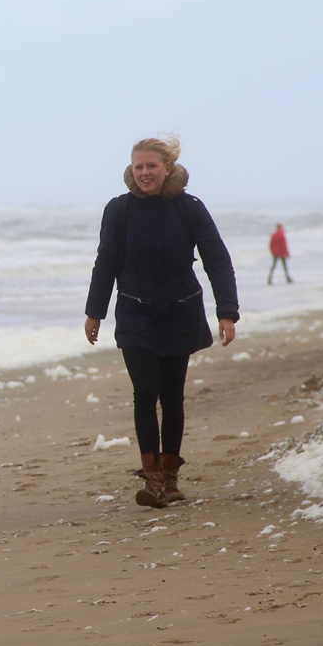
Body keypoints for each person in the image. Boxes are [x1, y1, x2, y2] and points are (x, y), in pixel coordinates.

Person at [84, 136, 239, 508]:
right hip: (136, 313)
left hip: (180, 311)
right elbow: (106, 262)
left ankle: (170, 479)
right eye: (138, 167)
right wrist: (94, 312)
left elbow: (217, 259)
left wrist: (227, 312)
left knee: (172, 397)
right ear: (131, 171)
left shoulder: (190, 208)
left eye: (151, 166)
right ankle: (151, 478)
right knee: (145, 392)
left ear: (167, 168)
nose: (144, 173)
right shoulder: (119, 210)